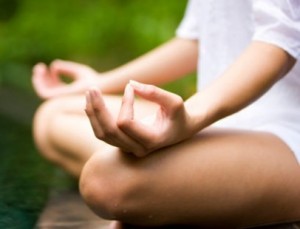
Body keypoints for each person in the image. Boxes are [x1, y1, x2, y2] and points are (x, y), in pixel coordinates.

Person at [32, 0, 300, 228]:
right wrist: (100, 83)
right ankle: (161, 181)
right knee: (53, 115)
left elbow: (279, 41)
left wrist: (192, 117)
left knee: (105, 181)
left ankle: (149, 180)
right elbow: (195, 39)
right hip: (223, 119)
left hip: (288, 136)